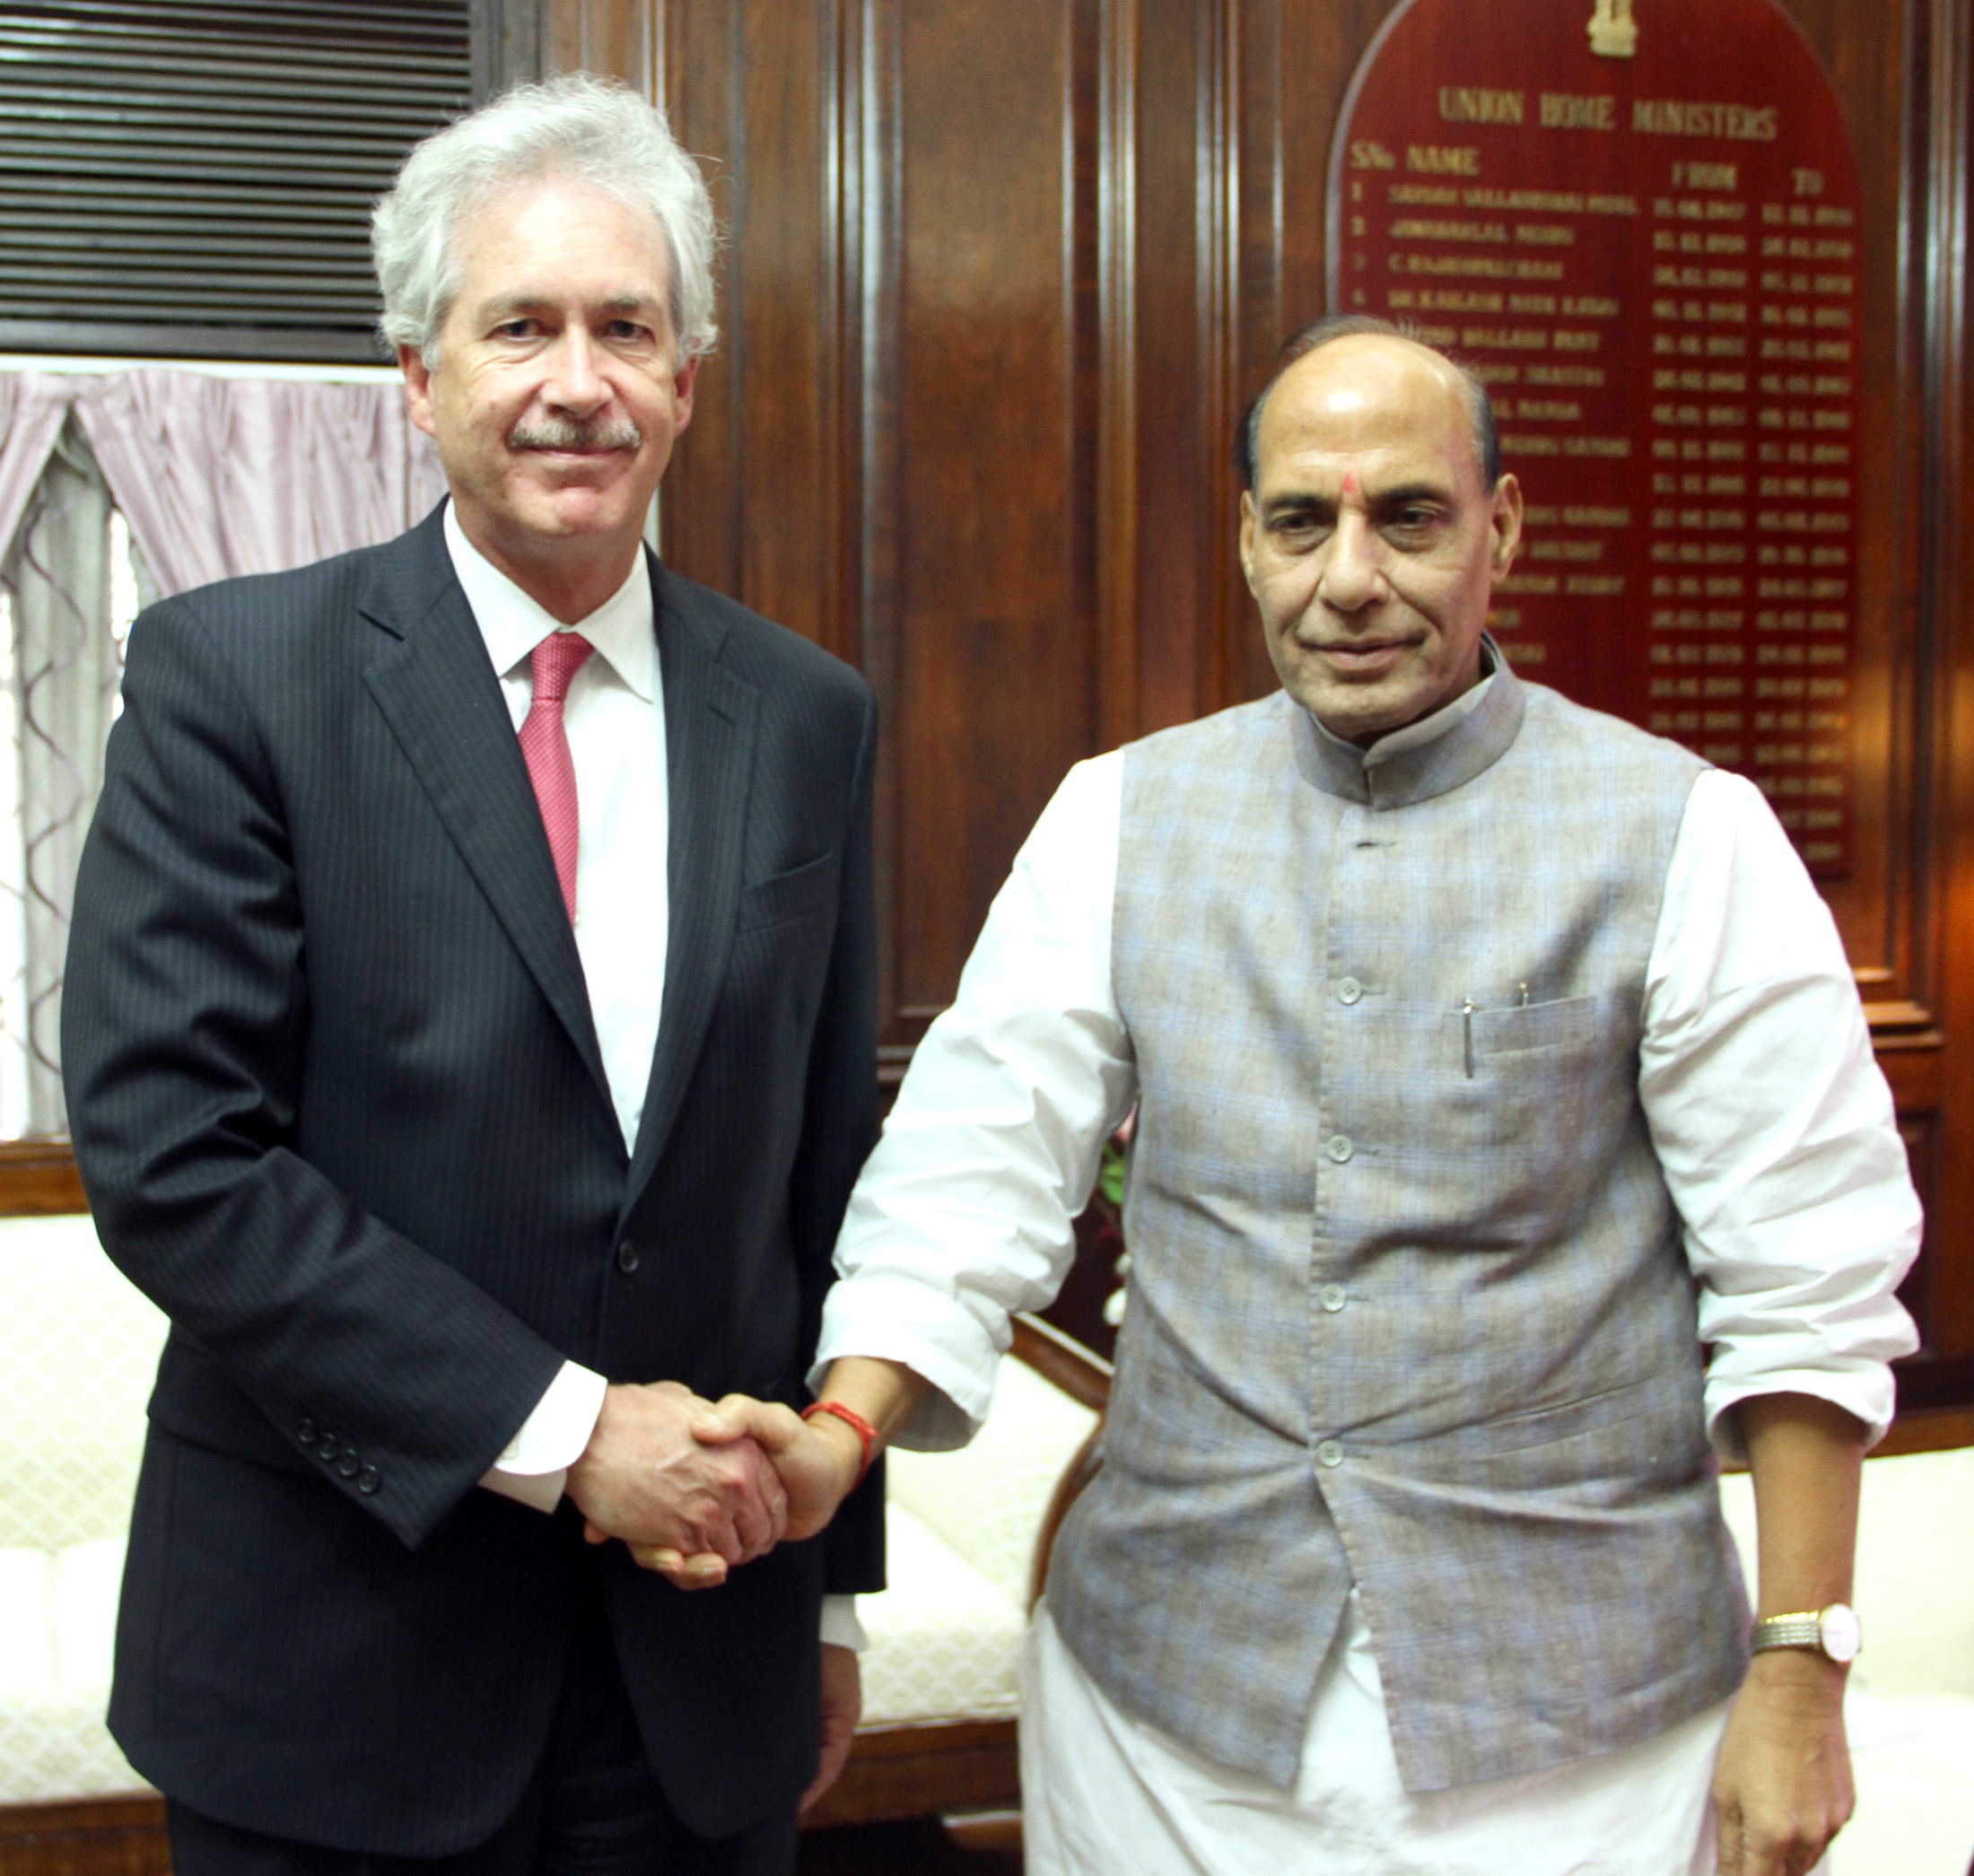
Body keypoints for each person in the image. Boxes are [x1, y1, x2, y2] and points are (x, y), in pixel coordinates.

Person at [703, 318, 1921, 1876]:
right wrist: (837, 1432)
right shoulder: (1118, 818)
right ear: (1248, 542)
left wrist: (1799, 1671)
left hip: (1582, 1741)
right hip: (1163, 1722)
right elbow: (965, 1176)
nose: (1350, 577)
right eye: (1303, 520)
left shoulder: (1691, 835)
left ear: (1504, 529)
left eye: (1407, 515)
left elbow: (1807, 1277)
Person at [60, 74, 881, 1876]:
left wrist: (823, 1587)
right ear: (418, 380)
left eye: (625, 328)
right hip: (333, 1654)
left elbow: (821, 1182)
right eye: (518, 325)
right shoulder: (231, 676)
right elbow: (173, 1154)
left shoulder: (806, 716)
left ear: (685, 381)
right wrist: (571, 1428)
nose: (574, 378)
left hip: (698, 1667)